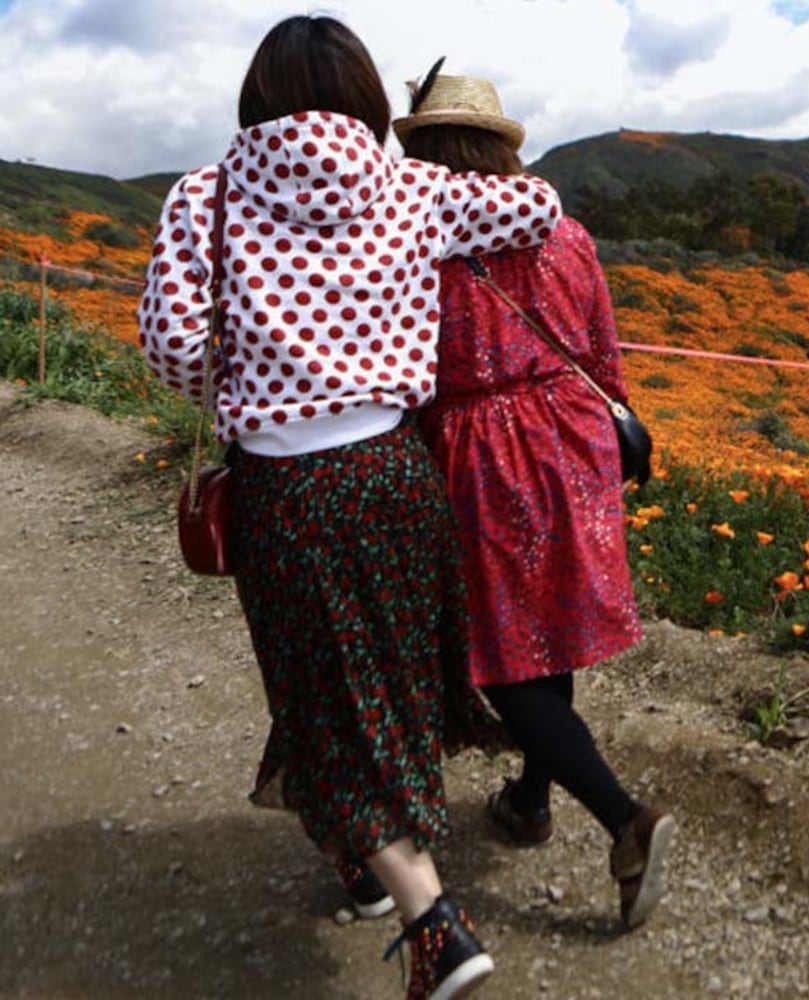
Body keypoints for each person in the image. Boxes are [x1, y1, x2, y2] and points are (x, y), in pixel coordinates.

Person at [137, 16, 563, 999]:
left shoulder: (207, 195)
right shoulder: (413, 187)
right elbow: (535, 210)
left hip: (290, 492)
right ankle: (364, 869)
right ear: (370, 100)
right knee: (386, 679)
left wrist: (260, 353)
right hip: (397, 476)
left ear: (256, 100)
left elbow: (169, 351)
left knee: (322, 693)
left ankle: (432, 921)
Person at [395, 70, 676, 931]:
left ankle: (626, 819)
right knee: (547, 624)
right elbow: (601, 350)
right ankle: (531, 799)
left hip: (485, 452)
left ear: (427, 151)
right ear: (500, 147)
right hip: (575, 434)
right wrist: (609, 427)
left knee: (497, 654)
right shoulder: (568, 232)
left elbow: (410, 378)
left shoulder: (421, 244)